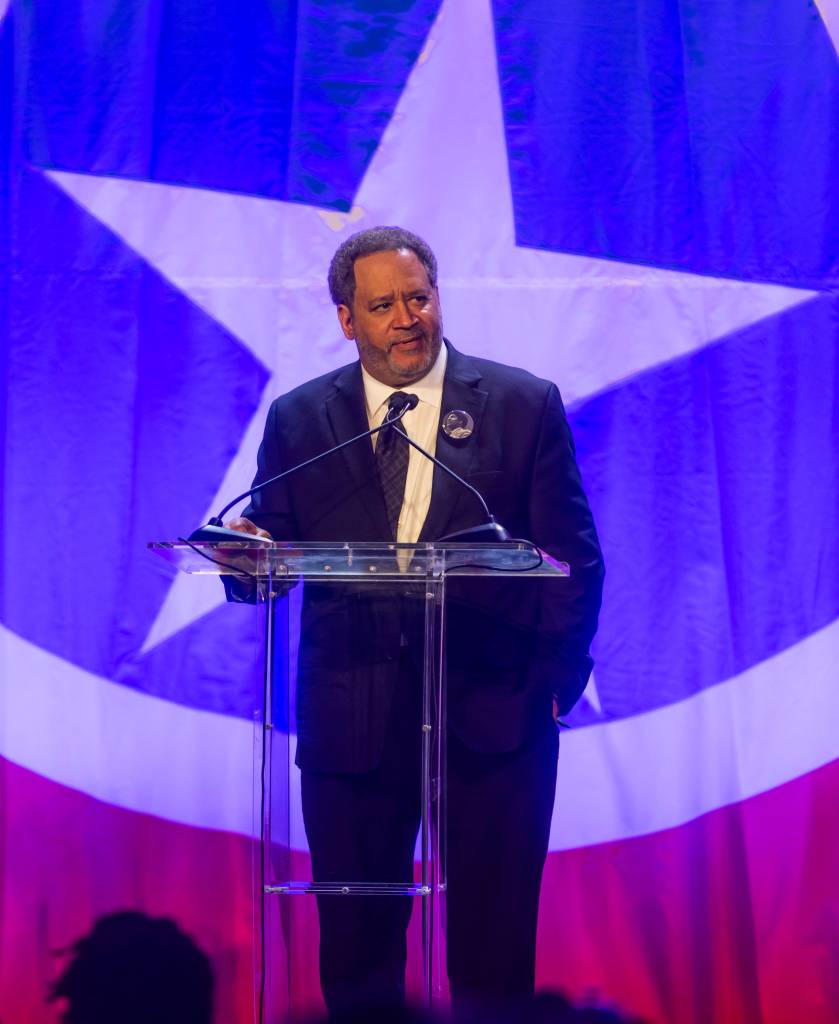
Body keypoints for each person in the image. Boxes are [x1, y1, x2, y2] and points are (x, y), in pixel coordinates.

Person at [227, 226, 604, 1014]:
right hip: (352, 718)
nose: (407, 318)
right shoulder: (299, 419)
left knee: (494, 943)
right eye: (383, 304)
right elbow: (268, 558)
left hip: (495, 713)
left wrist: (552, 687)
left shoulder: (520, 404)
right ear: (346, 319)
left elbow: (573, 560)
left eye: (418, 298)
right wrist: (245, 565)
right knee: (358, 948)